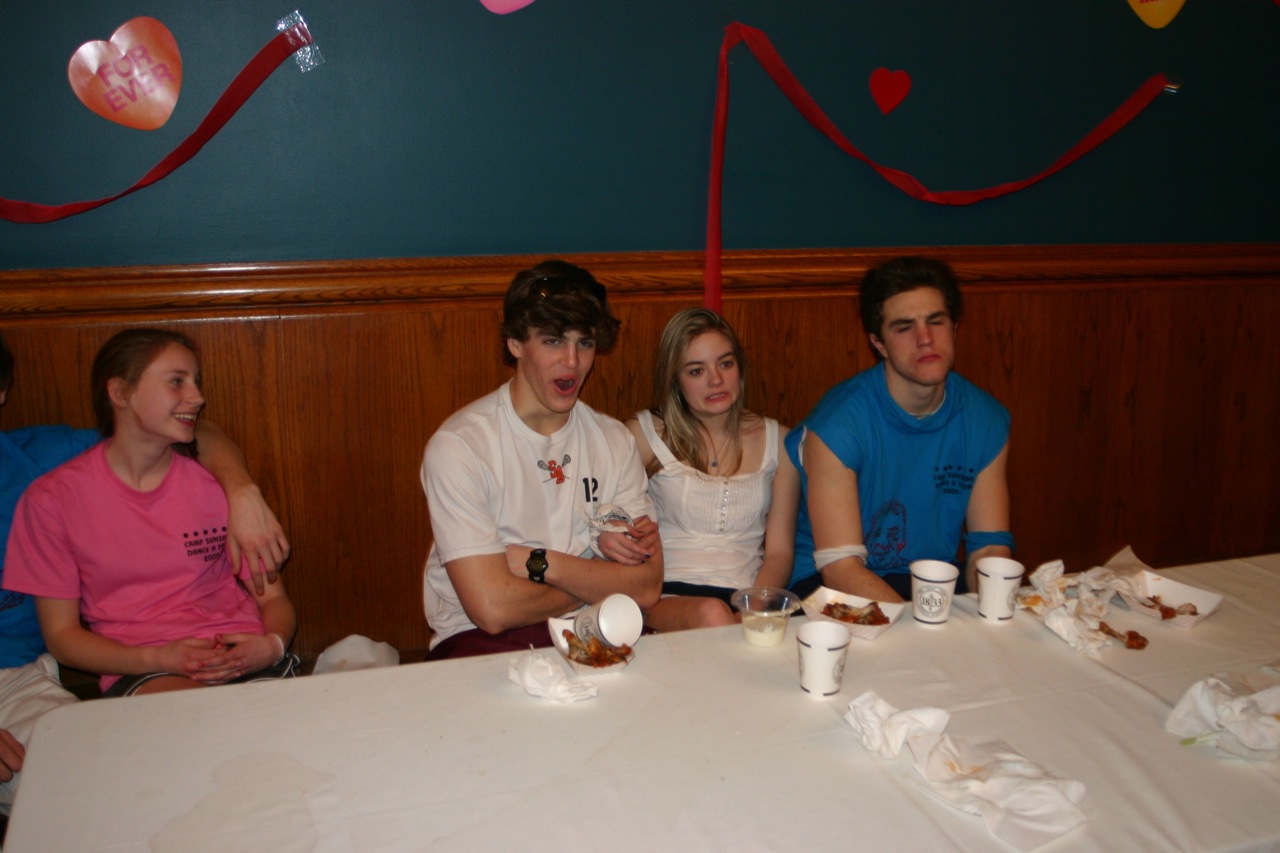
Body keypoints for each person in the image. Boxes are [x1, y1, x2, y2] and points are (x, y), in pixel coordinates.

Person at [3, 329, 297, 698]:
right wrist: (158, 658)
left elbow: (273, 598)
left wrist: (271, 645)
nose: (198, 397)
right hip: (143, 666)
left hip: (243, 653)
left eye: (196, 381)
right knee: (194, 717)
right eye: (176, 381)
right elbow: (63, 638)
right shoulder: (52, 499)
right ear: (120, 393)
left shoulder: (217, 481)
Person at [421, 259, 663, 660]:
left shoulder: (614, 440)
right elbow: (492, 610)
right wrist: (599, 581)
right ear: (515, 343)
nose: (572, 361)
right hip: (481, 640)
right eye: (553, 341)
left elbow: (647, 587)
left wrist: (541, 563)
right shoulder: (460, 447)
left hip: (597, 626)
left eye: (584, 343)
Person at [785, 256, 1013, 602]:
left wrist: (990, 610)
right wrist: (917, 626)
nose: (925, 339)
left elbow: (988, 548)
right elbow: (840, 568)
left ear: (954, 328)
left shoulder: (985, 419)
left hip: (929, 581)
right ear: (879, 344)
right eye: (904, 328)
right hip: (829, 583)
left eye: (935, 322)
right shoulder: (837, 426)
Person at [625, 308, 799, 631]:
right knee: (712, 613)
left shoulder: (780, 442)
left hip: (746, 596)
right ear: (674, 380)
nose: (716, 380)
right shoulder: (643, 435)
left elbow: (779, 553)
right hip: (665, 595)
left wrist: (751, 608)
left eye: (725, 364)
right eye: (696, 371)